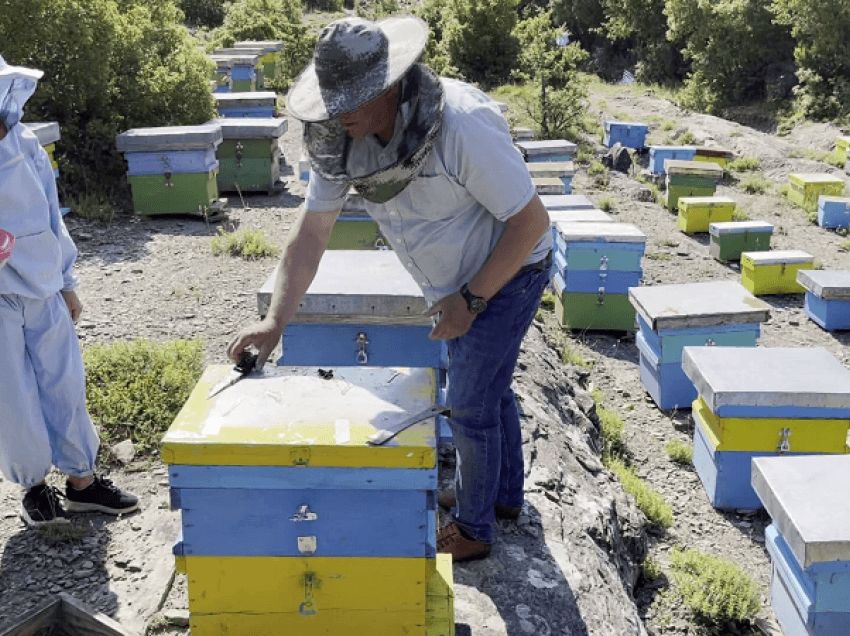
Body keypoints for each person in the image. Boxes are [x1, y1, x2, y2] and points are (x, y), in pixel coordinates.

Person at [227, 16, 552, 562]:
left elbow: (531, 223)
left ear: (391, 83)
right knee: (489, 384)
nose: (341, 112)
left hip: (511, 269)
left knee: (470, 404)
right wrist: (275, 321)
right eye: (334, 99)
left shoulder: (463, 124)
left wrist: (470, 300)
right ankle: (502, 497)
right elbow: (310, 235)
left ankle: (474, 527)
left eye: (353, 99)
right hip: (454, 281)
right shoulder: (338, 139)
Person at [0, 56, 139, 526]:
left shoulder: (25, 143)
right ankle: (34, 488)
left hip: (42, 284)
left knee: (64, 382)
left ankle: (82, 482)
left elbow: (52, 215)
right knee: (12, 394)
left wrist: (68, 280)